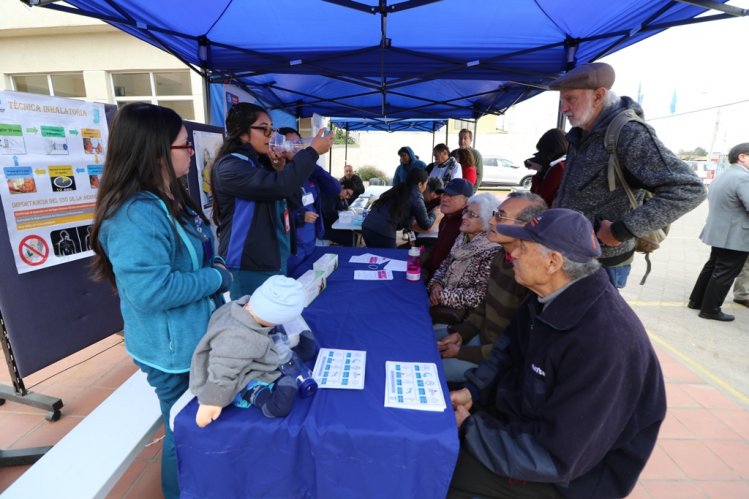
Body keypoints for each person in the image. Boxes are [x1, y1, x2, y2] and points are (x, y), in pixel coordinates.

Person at [448, 209, 666, 499]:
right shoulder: (547, 298)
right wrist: (474, 392)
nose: (512, 255)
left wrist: (470, 430)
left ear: (553, 262)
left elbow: (556, 456)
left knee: (439, 466)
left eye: (523, 249)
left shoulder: (604, 343)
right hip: (523, 428)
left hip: (569, 478)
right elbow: (507, 353)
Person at [90, 103, 233, 499]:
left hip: (195, 339)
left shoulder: (167, 198)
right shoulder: (135, 215)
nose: (192, 153)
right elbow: (152, 292)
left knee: (196, 425)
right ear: (156, 153)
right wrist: (216, 277)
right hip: (173, 354)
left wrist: (214, 264)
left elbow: (200, 253)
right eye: (185, 146)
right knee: (183, 431)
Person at [550, 62, 706, 288]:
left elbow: (689, 189)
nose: (564, 107)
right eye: (561, 100)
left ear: (598, 96)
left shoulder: (629, 132)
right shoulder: (581, 133)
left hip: (602, 263)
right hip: (572, 254)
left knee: (596, 323)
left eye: (570, 99)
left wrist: (622, 230)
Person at [210, 103, 333, 297]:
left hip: (274, 259)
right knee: (250, 324)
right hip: (248, 264)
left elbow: (293, 200)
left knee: (272, 323)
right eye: (263, 128)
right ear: (241, 132)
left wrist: (280, 169)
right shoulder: (230, 166)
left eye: (271, 128)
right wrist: (312, 152)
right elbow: (279, 186)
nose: (270, 134)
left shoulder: (259, 163)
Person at [437, 191, 546, 383]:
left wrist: (462, 352)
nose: (492, 221)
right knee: (421, 344)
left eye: (500, 216)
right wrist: (462, 333)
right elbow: (485, 304)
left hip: (495, 358)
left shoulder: (530, 275)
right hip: (480, 341)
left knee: (430, 369)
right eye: (495, 214)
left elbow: (514, 345)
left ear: (526, 227)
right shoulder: (501, 256)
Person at [190, 275, 312, 426]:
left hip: (246, 357)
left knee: (275, 342)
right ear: (274, 316)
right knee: (250, 387)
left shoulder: (238, 306)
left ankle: (296, 353)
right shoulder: (238, 339)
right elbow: (223, 372)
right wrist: (211, 403)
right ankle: (271, 405)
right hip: (234, 374)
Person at [688, 143, 749, 321]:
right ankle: (710, 309)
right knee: (725, 272)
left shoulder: (724, 175)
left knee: (713, 267)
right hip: (736, 234)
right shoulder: (744, 178)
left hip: (721, 231)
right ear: (742, 157)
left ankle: (696, 301)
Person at [275, 127, 343, 275]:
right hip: (292, 246)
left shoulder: (310, 172)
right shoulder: (278, 177)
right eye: (289, 144)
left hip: (311, 240)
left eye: (297, 143)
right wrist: (300, 216)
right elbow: (276, 213)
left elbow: (336, 189)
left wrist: (311, 165)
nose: (295, 148)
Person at [427, 193, 500, 314]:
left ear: (487, 221)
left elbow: (479, 296)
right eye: (466, 211)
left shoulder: (492, 251)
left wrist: (442, 296)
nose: (464, 217)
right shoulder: (462, 238)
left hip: (461, 317)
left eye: (471, 215)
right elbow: (445, 265)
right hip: (438, 302)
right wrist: (436, 284)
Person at [361, 168, 434, 248]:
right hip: (383, 232)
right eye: (426, 184)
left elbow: (397, 213)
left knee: (376, 255)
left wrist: (410, 221)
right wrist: (434, 214)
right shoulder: (416, 196)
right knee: (390, 258)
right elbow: (426, 224)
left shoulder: (399, 187)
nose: (426, 187)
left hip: (367, 226)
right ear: (420, 184)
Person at [423, 178, 473, 280]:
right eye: (444, 194)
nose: (444, 199)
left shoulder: (466, 225)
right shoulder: (446, 219)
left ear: (466, 201)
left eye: (451, 195)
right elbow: (438, 249)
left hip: (442, 285)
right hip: (431, 276)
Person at [526, 128, 568, 206]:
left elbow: (537, 199)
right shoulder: (566, 163)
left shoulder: (559, 168)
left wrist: (539, 171)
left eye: (542, 151)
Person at [412, 177, 444, 253]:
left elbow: (427, 228)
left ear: (432, 194)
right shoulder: (426, 203)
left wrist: (409, 225)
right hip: (419, 242)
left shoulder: (440, 207)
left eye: (424, 190)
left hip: (429, 244)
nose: (421, 192)